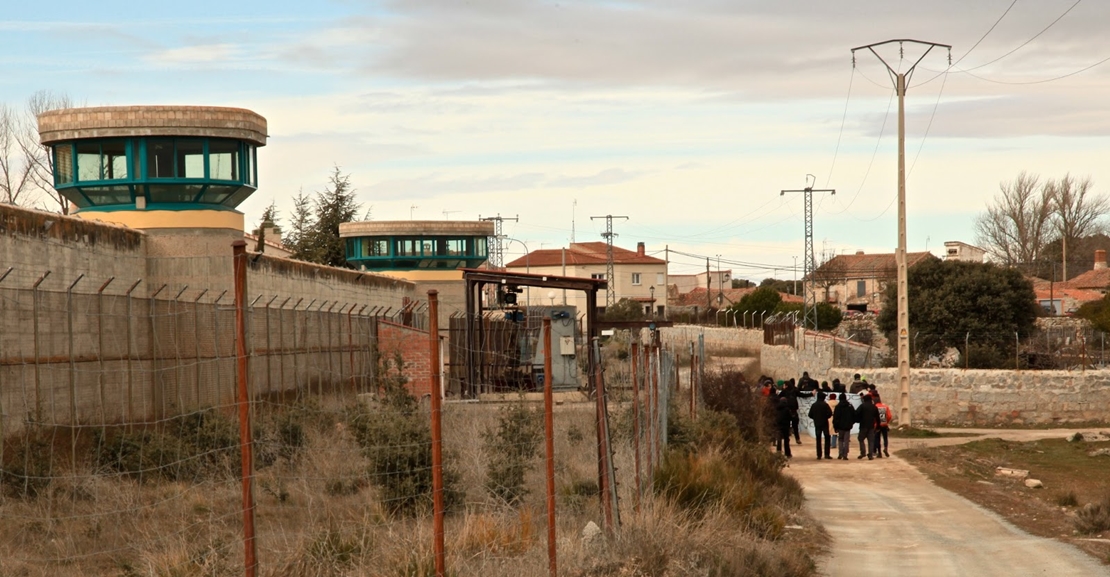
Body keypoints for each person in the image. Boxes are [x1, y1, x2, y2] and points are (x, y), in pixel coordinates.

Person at [807, 392, 833, 460]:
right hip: (824, 423)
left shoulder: (814, 405)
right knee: (827, 438)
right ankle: (827, 454)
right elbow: (830, 413)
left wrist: (815, 418)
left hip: (817, 423)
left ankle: (819, 455)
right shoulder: (825, 405)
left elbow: (810, 415)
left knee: (818, 439)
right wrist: (826, 417)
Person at [832, 392, 856, 460]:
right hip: (847, 426)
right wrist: (851, 423)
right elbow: (854, 415)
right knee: (846, 440)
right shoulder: (850, 406)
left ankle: (840, 453)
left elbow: (835, 418)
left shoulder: (838, 407)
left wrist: (835, 427)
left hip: (840, 426)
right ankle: (845, 454)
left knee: (840, 440)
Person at [855, 393, 879, 460]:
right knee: (871, 441)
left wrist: (857, 420)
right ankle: (870, 455)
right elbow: (877, 417)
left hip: (863, 425)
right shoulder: (874, 407)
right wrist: (878, 426)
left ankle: (863, 452)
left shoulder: (862, 406)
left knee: (860, 439)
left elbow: (856, 413)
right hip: (871, 426)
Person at [782, 379, 801, 444]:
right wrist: (811, 394)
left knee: (787, 426)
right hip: (794, 411)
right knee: (795, 426)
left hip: (787, 410)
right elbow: (802, 395)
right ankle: (797, 439)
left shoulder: (784, 391)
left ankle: (787, 439)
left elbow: (778, 397)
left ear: (786, 386)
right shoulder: (795, 391)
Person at [873, 393, 892, 457]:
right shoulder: (885, 406)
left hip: (877, 425)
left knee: (877, 438)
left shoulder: (875, 407)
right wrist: (886, 422)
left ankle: (879, 452)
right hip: (884, 424)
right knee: (885, 438)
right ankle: (885, 448)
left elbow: (874, 417)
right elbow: (889, 416)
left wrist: (874, 424)